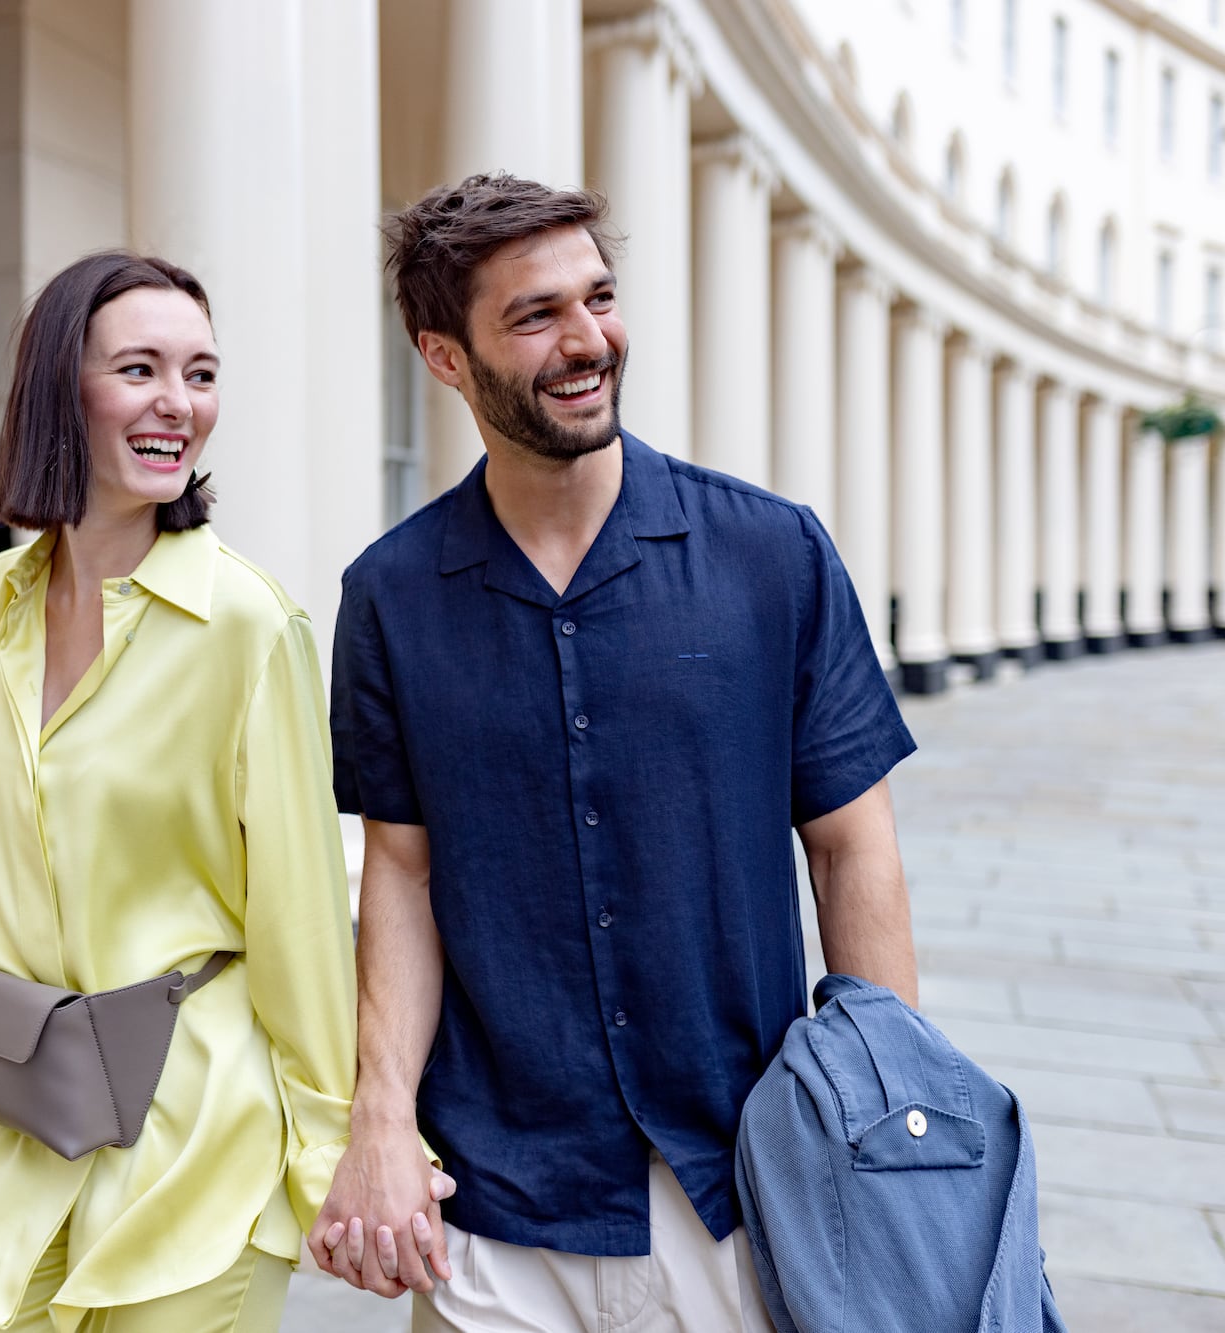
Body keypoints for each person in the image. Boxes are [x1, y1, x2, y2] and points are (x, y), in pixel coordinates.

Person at [311, 174, 921, 1333]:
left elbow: (852, 851)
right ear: (444, 357)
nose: (587, 338)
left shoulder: (769, 556)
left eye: (596, 297)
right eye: (534, 315)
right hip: (494, 1205)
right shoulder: (389, 595)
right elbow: (401, 869)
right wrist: (379, 1118)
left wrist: (881, 1120)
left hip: (740, 1191)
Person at [0, 250, 368, 1333]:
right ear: (62, 390)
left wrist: (330, 1146)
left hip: (189, 1141)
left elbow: (299, 914)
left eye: (199, 373)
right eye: (138, 369)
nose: (175, 405)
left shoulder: (245, 625)